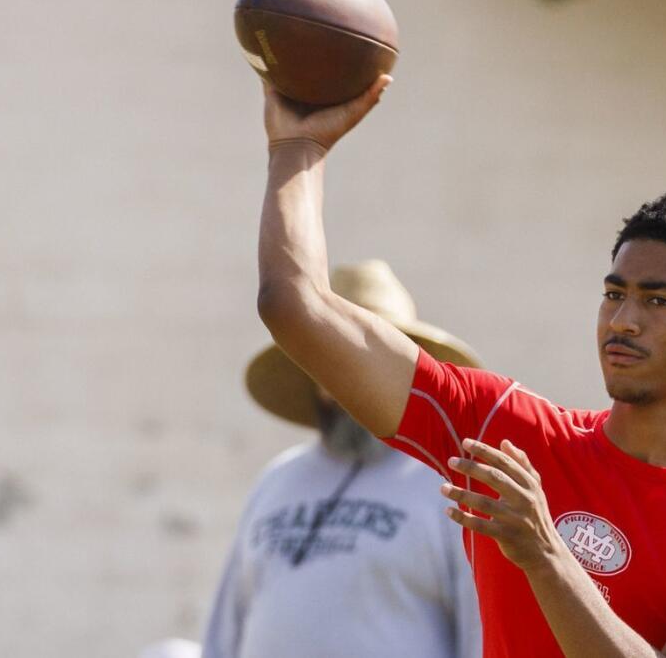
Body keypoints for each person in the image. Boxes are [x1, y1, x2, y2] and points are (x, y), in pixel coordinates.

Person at [249, 77, 666, 658]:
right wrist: (298, 151)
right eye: (613, 293)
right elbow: (295, 306)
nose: (622, 320)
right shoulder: (504, 431)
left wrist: (546, 555)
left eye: (658, 301)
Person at [202, 260, 483, 658]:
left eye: (368, 364)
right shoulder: (277, 479)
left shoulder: (449, 487)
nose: (351, 383)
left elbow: (483, 637)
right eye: (333, 361)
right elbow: (224, 633)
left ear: (407, 374)